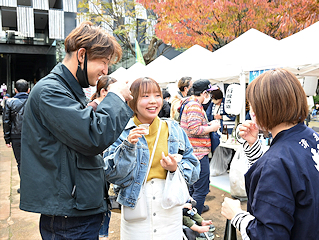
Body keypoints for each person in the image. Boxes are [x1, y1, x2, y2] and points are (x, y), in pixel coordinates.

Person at [19, 21, 134, 239]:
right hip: (70, 216)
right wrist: (116, 96)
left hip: (76, 209)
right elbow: (93, 135)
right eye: (103, 61)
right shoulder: (50, 91)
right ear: (82, 55)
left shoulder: (66, 89)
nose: (105, 71)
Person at [221, 69, 319, 240]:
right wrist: (253, 144)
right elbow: (283, 179)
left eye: (253, 105)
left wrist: (236, 215)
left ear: (265, 108)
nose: (252, 112)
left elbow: (268, 235)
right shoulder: (314, 138)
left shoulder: (276, 161)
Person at [103, 77, 200, 240]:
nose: (153, 101)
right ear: (132, 99)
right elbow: (111, 174)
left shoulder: (174, 129)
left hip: (169, 209)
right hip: (136, 209)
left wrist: (175, 168)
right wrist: (127, 147)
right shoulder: (121, 132)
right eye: (145, 96)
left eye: (157, 95)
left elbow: (194, 169)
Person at [180, 79, 221, 215]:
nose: (209, 96)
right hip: (198, 153)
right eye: (208, 93)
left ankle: (189, 223)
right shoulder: (194, 106)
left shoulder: (190, 103)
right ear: (204, 93)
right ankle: (195, 225)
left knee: (192, 189)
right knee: (201, 189)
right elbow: (194, 129)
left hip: (193, 152)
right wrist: (212, 127)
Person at [87, 75, 117, 240]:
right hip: (97, 164)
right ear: (104, 91)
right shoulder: (92, 108)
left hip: (105, 162)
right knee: (102, 199)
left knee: (105, 199)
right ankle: (101, 233)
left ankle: (103, 233)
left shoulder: (104, 108)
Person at [2, 79, 29, 193]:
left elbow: (6, 121)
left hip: (16, 136)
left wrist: (7, 139)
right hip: (32, 136)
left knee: (20, 162)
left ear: (15, 90)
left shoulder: (9, 102)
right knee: (33, 160)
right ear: (28, 90)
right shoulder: (34, 100)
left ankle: (25, 186)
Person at [206, 88, 236, 153]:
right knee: (215, 147)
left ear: (219, 98)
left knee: (226, 147)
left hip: (226, 129)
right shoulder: (212, 105)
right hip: (215, 130)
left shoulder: (227, 103)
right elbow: (207, 115)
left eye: (215, 99)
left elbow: (233, 116)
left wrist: (221, 117)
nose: (213, 101)